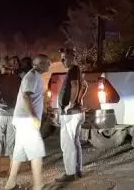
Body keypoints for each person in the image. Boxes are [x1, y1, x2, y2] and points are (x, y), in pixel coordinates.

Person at [6, 54, 51, 190]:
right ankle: (38, 185)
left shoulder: (35, 76)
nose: (49, 65)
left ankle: (11, 184)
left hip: (22, 120)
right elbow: (26, 96)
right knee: (37, 151)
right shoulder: (32, 76)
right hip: (26, 120)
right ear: (41, 64)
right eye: (48, 63)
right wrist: (33, 117)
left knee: (19, 152)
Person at [56, 48, 87, 182]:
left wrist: (71, 103)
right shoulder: (77, 71)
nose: (62, 61)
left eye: (64, 58)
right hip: (77, 112)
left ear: (71, 57)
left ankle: (70, 173)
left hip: (71, 114)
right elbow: (85, 86)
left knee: (68, 144)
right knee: (75, 142)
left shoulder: (73, 70)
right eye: (61, 58)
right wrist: (79, 100)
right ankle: (77, 170)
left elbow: (75, 86)